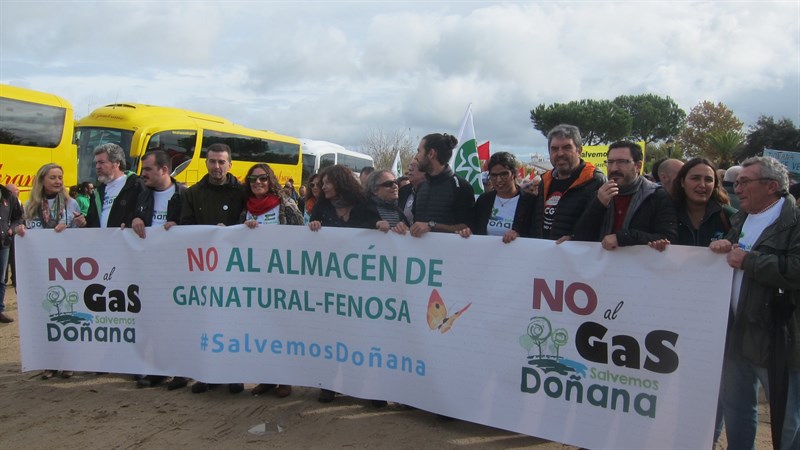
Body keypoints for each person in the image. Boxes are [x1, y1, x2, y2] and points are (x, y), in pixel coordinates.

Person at [710, 156, 799, 450]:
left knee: (786, 419)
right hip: (737, 332)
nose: (737, 187)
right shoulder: (742, 217)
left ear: (771, 186)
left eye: (745, 182)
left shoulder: (794, 222)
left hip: (776, 337)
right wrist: (723, 246)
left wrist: (751, 260)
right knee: (736, 407)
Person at [649, 158, 736, 446]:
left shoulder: (731, 217)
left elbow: (747, 254)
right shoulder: (663, 214)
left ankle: (706, 440)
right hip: (671, 317)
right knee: (667, 384)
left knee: (711, 387)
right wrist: (654, 244)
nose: (702, 185)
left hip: (717, 320)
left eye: (709, 179)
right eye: (695, 178)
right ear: (682, 182)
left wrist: (732, 247)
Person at [308, 164, 384, 406]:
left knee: (360, 336)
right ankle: (328, 385)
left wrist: (382, 227)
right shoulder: (321, 207)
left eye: (327, 182)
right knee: (329, 334)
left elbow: (379, 232)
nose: (323, 187)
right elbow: (309, 238)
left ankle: (362, 387)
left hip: (360, 285)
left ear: (340, 182)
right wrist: (313, 228)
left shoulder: (364, 205)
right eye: (321, 183)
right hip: (330, 284)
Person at [179, 143, 245, 395]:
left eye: (221, 162)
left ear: (230, 165)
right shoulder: (193, 193)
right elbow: (186, 226)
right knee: (205, 323)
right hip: (204, 268)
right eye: (212, 161)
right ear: (206, 163)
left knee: (233, 323)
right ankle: (206, 374)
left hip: (236, 269)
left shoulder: (241, 192)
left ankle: (234, 374)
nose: (216, 167)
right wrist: (208, 235)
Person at [16, 163, 87, 374]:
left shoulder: (70, 203)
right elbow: (22, 228)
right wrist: (19, 229)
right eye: (53, 177)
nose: (58, 181)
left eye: (60, 177)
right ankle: (49, 361)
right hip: (41, 270)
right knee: (46, 316)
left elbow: (81, 232)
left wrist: (78, 224)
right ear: (42, 181)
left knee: (67, 314)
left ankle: (68, 363)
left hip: (66, 269)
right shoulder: (30, 205)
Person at [126, 150, 188, 390]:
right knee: (154, 321)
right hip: (148, 270)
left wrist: (180, 226)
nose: (143, 175)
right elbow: (128, 216)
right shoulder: (142, 194)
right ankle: (159, 370)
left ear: (164, 170)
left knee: (177, 321)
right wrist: (134, 219)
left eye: (148, 170)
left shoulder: (184, 194)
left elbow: (193, 225)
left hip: (177, 270)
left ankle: (181, 370)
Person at [241, 163, 303, 399]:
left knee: (283, 330)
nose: (258, 182)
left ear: (271, 180)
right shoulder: (245, 207)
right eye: (253, 179)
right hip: (254, 278)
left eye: (263, 178)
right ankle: (266, 377)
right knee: (260, 330)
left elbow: (301, 235)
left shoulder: (285, 204)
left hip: (282, 278)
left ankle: (285, 379)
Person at [573, 140, 677, 249]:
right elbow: (580, 237)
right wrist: (598, 205)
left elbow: (669, 238)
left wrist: (623, 238)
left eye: (621, 162)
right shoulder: (599, 194)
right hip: (601, 265)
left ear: (638, 166)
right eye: (610, 162)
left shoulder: (656, 195)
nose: (613, 168)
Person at [529, 124, 605, 243]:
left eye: (566, 147)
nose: (560, 154)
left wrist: (575, 238)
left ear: (579, 151)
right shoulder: (544, 180)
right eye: (554, 149)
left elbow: (602, 224)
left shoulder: (596, 181)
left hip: (577, 257)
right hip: (543, 255)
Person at [458, 152, 535, 243]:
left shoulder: (530, 202)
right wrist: (467, 231)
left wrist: (519, 235)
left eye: (504, 174)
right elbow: (475, 228)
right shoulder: (484, 201)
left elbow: (535, 234)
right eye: (494, 175)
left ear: (513, 174)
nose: (499, 180)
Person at [409, 133, 474, 237]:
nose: (416, 156)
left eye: (419, 151)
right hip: (418, 252)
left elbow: (466, 226)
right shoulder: (421, 186)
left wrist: (432, 226)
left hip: (449, 251)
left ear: (431, 153)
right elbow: (415, 222)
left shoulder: (461, 187)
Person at [86, 143, 144, 229]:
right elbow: (91, 222)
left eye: (101, 162)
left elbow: (144, 212)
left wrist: (133, 220)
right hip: (102, 241)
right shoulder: (97, 192)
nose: (97, 167)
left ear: (117, 163)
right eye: (96, 163)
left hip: (126, 240)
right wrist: (83, 221)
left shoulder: (135, 184)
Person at [0, 182, 23, 324]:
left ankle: (0, 310)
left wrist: (11, 228)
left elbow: (19, 217)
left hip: (3, 243)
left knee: (1, 279)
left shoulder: (8, 196)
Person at [398, 158, 425, 225]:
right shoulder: (402, 193)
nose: (410, 169)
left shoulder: (436, 194)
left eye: (415, 166)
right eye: (410, 166)